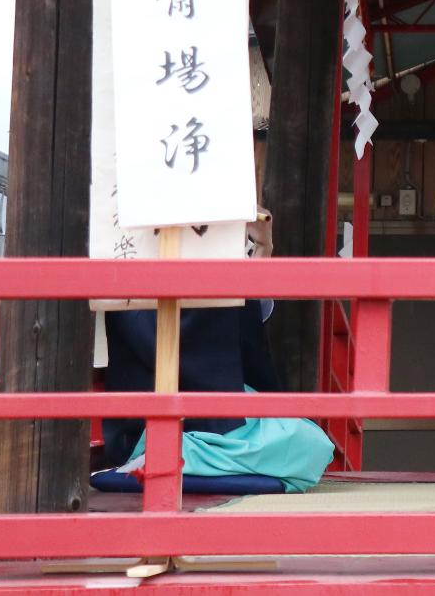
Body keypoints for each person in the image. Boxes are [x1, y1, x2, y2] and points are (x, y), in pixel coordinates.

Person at [99, 209, 335, 494]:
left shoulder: (213, 251)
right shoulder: (135, 253)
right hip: (152, 422)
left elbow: (242, 323)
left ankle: (189, 456)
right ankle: (175, 454)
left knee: (310, 442)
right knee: (306, 445)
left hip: (219, 404)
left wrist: (260, 251)